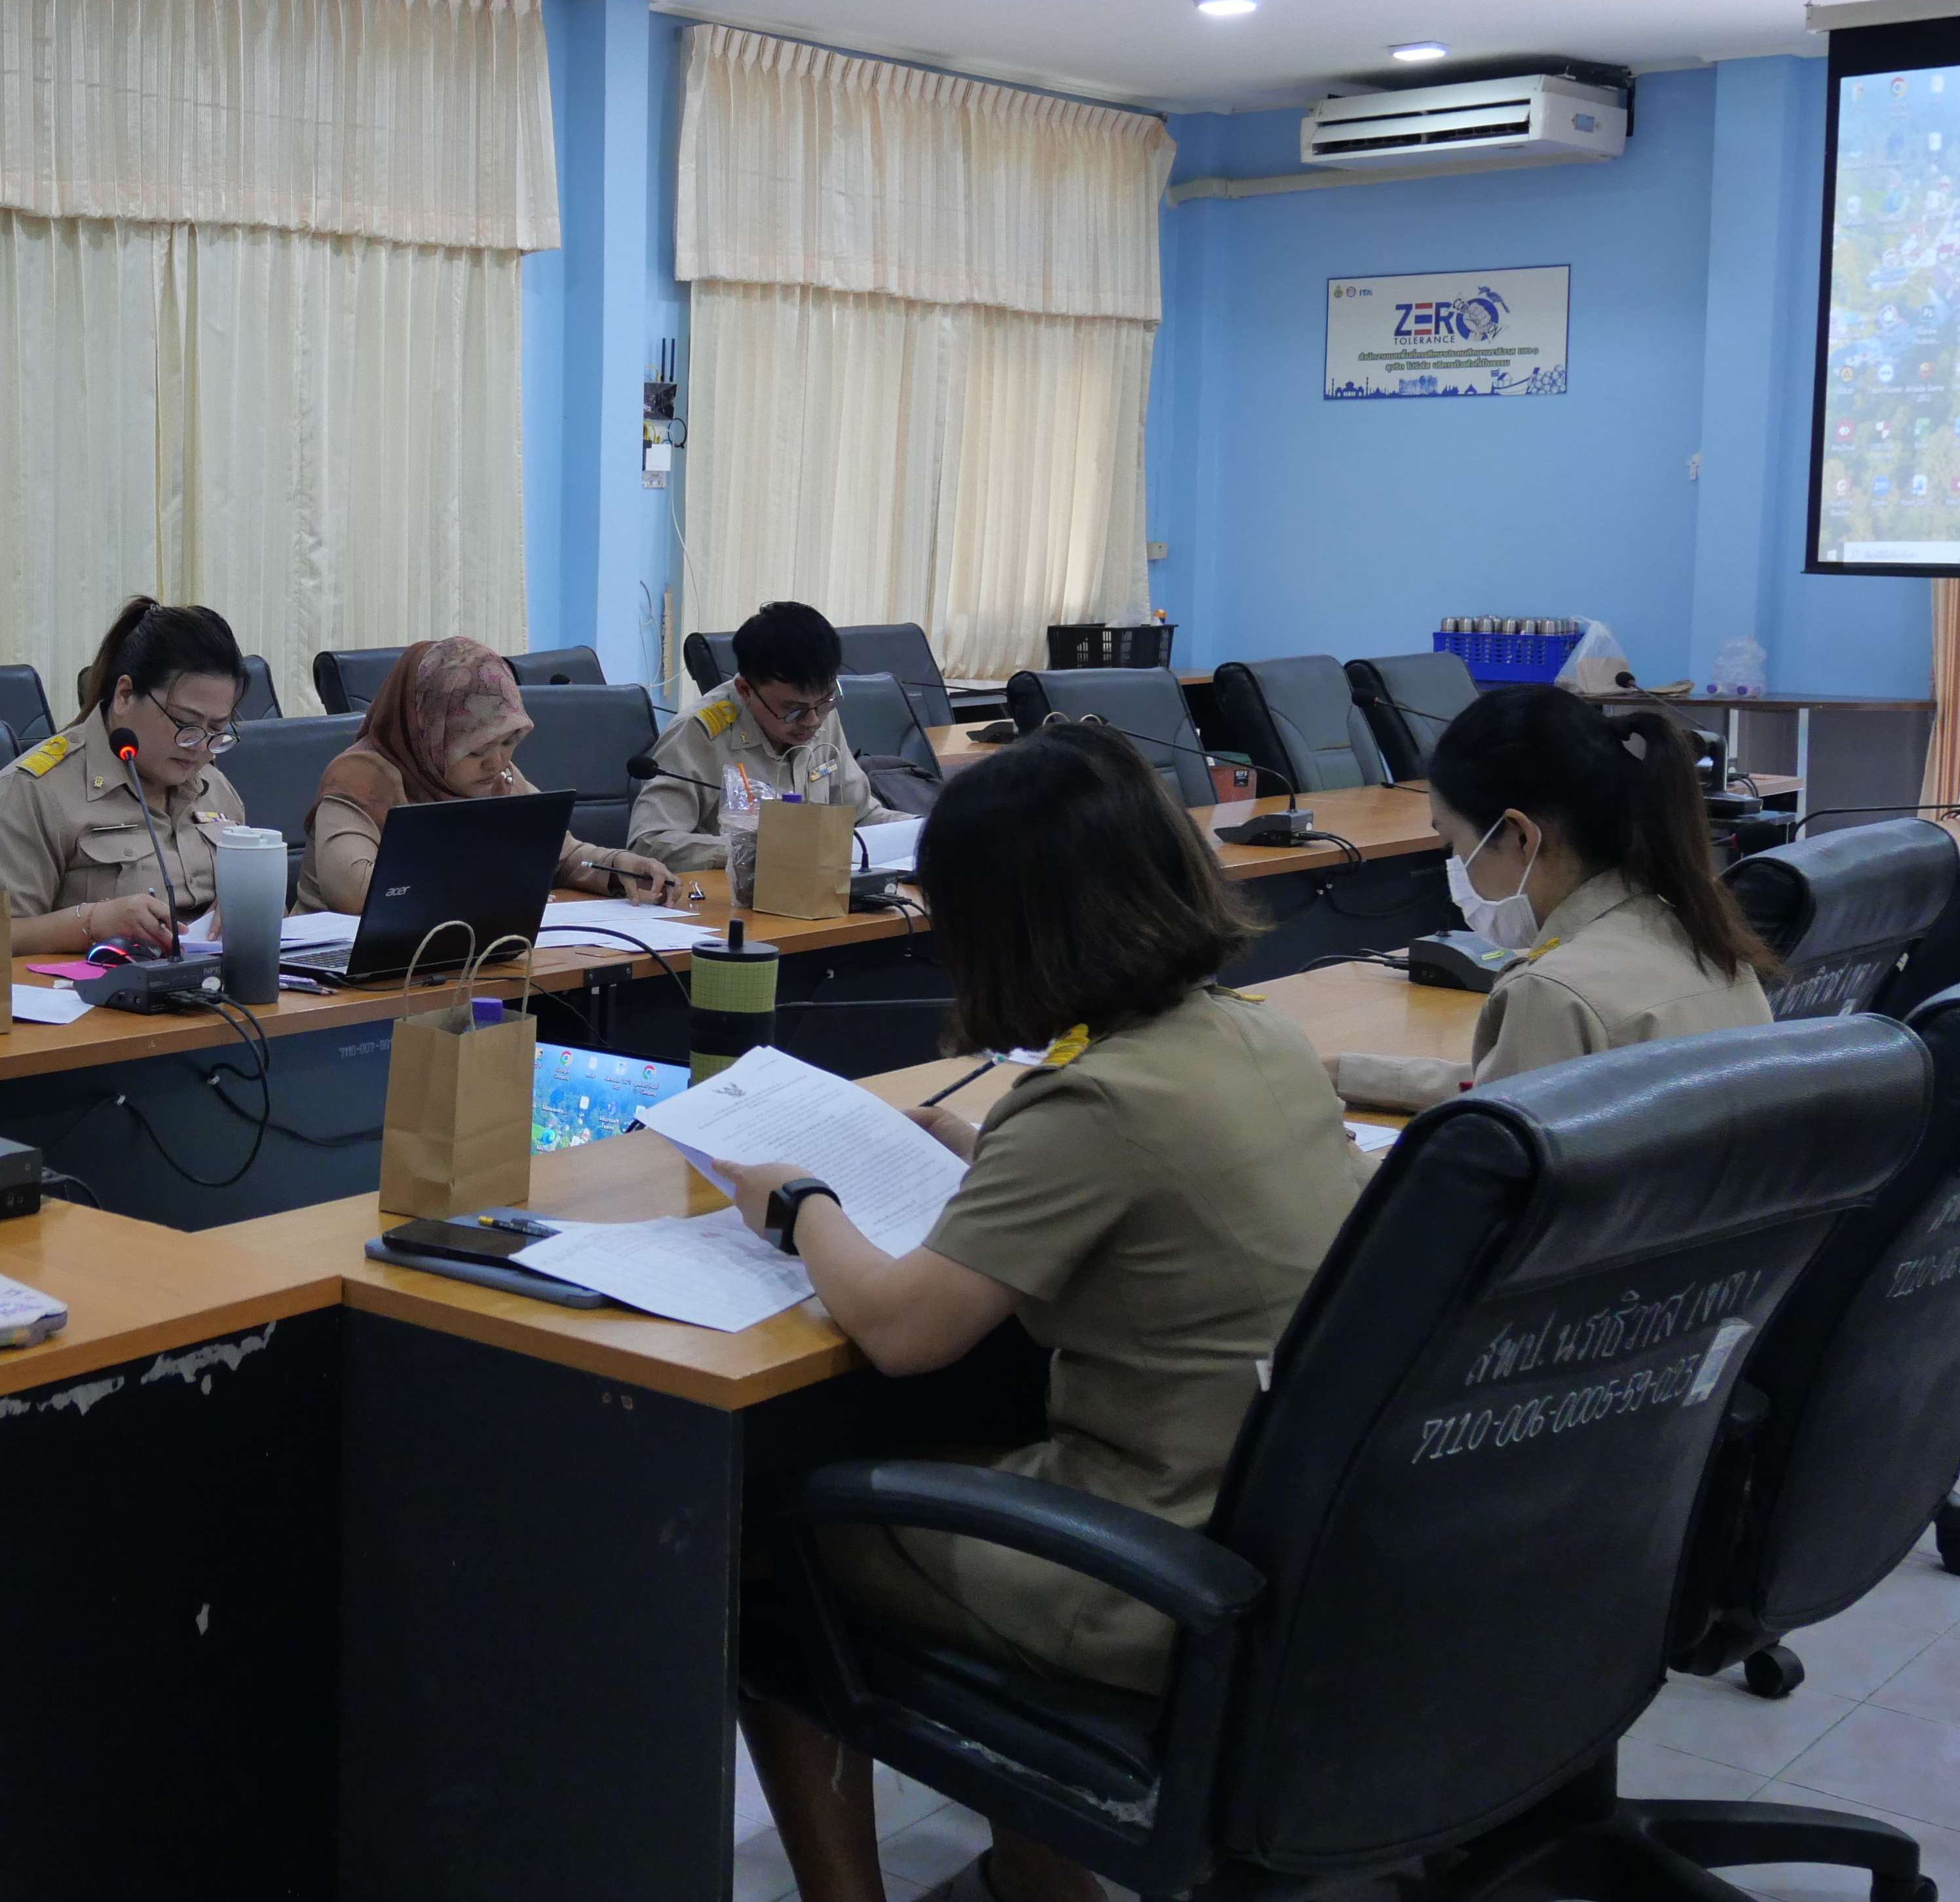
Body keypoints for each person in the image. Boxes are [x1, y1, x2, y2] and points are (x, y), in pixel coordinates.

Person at [713, 724, 1366, 1902]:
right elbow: (1141, 1196)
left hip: (1153, 1566)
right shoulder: (1257, 1035)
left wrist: (800, 1201)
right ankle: (1038, 1880)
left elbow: (903, 1332)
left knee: (769, 1549)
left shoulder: (1093, 1102)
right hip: (1292, 1539)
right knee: (959, 1446)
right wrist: (986, 1154)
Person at [1329, 684, 1777, 1112]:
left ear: (1521, 836)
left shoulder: (1552, 993)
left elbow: (1505, 1147)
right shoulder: (1701, 932)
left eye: (1452, 844)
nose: (1456, 864)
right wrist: (1341, 1075)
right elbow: (1505, 1092)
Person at [305, 637, 674, 913]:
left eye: (509, 741)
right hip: (332, 976)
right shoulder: (358, 781)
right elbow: (357, 893)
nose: (496, 762)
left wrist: (618, 867)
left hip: (451, 963)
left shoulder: (497, 776)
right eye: (475, 750)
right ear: (426, 739)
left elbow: (559, 855)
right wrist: (493, 884)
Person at [0, 598, 253, 955]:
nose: (199, 746)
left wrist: (251, 901)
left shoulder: (215, 788)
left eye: (217, 728)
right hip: (93, 985)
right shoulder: (32, 792)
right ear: (125, 695)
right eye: (185, 723)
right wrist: (92, 923)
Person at [631, 601, 911, 870]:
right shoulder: (699, 733)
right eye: (793, 711)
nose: (812, 722)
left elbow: (861, 817)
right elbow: (648, 843)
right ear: (745, 690)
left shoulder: (820, 712)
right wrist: (751, 850)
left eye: (824, 702)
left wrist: (924, 832)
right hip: (729, 894)